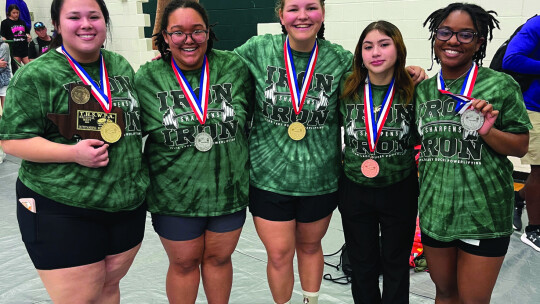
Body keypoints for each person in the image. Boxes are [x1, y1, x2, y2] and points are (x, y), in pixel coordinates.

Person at [234, 1, 425, 303]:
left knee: (311, 248)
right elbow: (217, 67)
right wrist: (172, 59)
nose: (303, 16)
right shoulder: (258, 49)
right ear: (280, 14)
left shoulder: (339, 59)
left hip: (320, 179)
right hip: (269, 178)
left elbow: (377, 77)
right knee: (280, 254)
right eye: (294, 8)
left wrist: (409, 71)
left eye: (311, 7)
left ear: (322, 13)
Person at [0, 0, 149, 302]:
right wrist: (73, 153)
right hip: (62, 207)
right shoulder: (37, 75)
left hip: (124, 204)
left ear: (105, 22)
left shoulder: (119, 65)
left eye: (94, 16)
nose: (86, 24)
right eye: (74, 17)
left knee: (109, 288)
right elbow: (12, 140)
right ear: (56, 24)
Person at [134, 1, 251, 303]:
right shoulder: (148, 78)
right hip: (174, 196)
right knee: (184, 264)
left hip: (228, 191)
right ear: (164, 37)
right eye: (178, 32)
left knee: (219, 260)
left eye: (197, 31)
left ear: (209, 33)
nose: (189, 39)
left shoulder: (233, 67)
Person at [416, 3, 532, 303]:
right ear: (435, 37)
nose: (453, 41)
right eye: (445, 32)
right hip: (435, 212)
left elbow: (520, 145)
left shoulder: (500, 85)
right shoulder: (423, 92)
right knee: (444, 293)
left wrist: (487, 131)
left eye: (466, 34)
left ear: (480, 42)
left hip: (483, 214)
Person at [338, 20, 418, 304]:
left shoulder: (413, 91)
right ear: (360, 53)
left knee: (396, 263)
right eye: (368, 46)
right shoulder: (347, 90)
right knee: (362, 262)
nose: (376, 52)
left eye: (384, 44)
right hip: (355, 187)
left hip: (399, 187)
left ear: (398, 49)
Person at [503, 15, 540, 252]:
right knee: (539, 168)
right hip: (536, 108)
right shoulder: (537, 24)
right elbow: (511, 59)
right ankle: (534, 230)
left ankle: (519, 198)